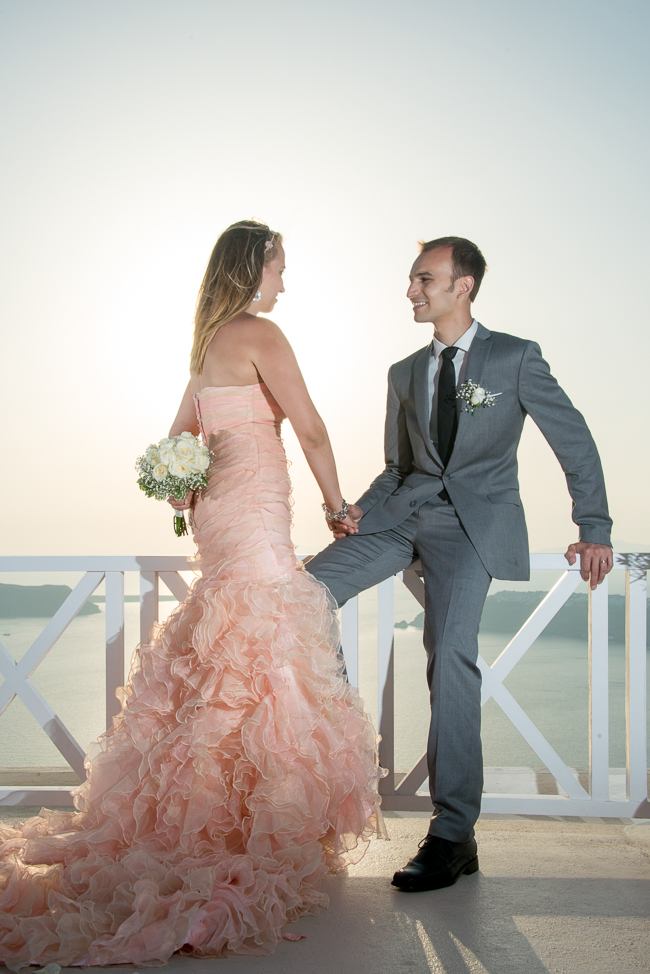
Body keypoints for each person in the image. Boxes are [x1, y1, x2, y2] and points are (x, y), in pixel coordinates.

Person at [0, 221, 383, 968]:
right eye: (280, 266)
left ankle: (223, 815)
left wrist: (186, 494)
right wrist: (340, 507)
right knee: (267, 640)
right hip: (256, 503)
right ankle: (252, 824)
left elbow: (177, 438)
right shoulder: (259, 334)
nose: (284, 281)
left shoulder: (207, 345)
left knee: (235, 639)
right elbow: (309, 427)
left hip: (220, 509)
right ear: (254, 268)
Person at [307, 235, 613, 892]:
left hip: (472, 528)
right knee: (301, 591)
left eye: (423, 278)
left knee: (449, 656)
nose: (411, 290)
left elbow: (575, 439)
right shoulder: (402, 372)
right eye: (413, 280)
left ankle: (453, 831)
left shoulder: (515, 358)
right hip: (398, 519)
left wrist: (594, 526)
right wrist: (356, 509)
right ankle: (336, 743)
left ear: (462, 284)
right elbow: (398, 467)